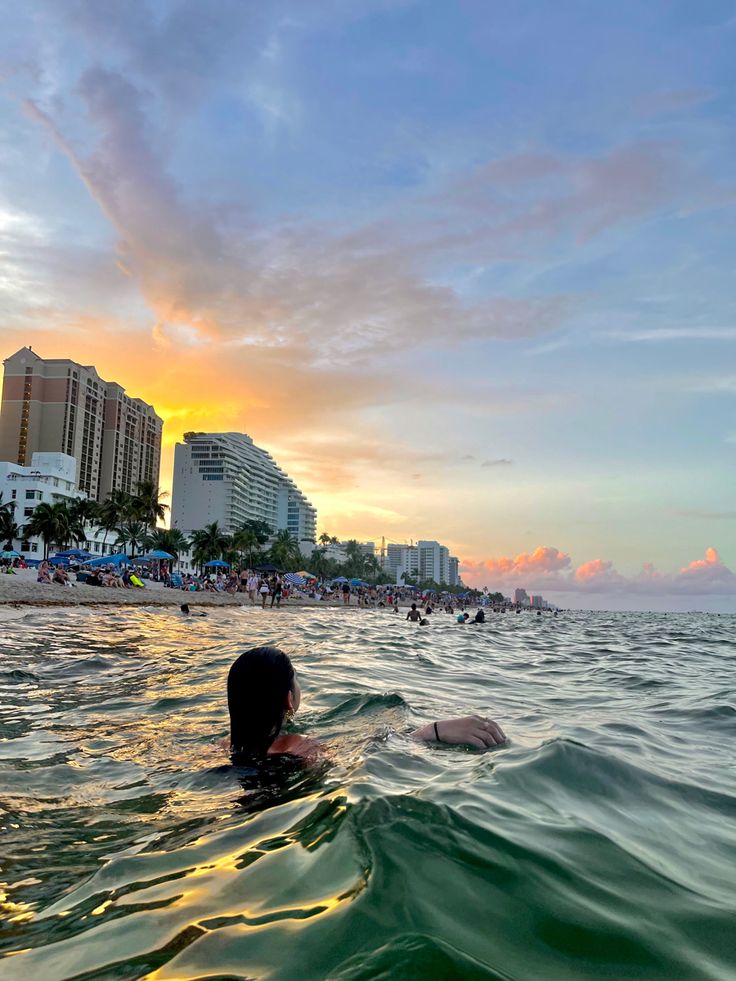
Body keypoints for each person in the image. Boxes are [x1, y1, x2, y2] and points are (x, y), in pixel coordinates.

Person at [224, 647, 506, 762]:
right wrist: (431, 731)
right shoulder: (299, 746)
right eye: (296, 679)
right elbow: (358, 757)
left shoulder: (226, 744)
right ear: (289, 698)